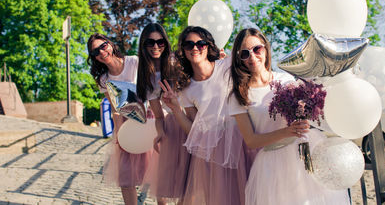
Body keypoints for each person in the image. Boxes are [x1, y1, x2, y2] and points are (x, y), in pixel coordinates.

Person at [228, 28, 351, 205]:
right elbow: (251, 141)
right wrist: (287, 132)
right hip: (272, 164)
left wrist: (305, 119)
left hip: (304, 152)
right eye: (245, 53)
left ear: (266, 49)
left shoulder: (287, 81)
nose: (252, 57)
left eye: (257, 49)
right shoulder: (238, 95)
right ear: (239, 59)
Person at [159, 26, 250, 205]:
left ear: (208, 46)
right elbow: (193, 130)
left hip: (240, 142)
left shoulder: (227, 66)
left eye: (200, 43)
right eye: (189, 44)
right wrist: (176, 108)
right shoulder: (185, 87)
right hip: (212, 151)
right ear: (183, 51)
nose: (195, 48)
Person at [87, 33, 152, 205]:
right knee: (126, 176)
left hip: (149, 118)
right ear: (94, 58)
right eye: (95, 52)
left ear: (110, 44)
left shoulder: (134, 62)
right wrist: (118, 136)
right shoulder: (103, 80)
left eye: (103, 46)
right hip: (126, 124)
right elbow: (116, 109)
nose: (101, 52)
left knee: (156, 171)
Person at [136, 23, 190, 205]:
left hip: (192, 120)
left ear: (166, 43)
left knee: (190, 182)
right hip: (172, 126)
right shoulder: (148, 76)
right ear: (143, 44)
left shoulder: (178, 63)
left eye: (160, 42)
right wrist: (160, 132)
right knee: (165, 186)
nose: (155, 46)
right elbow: (159, 116)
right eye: (150, 42)